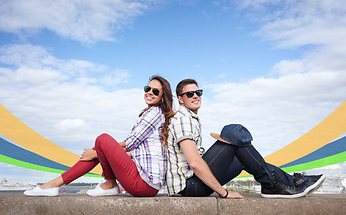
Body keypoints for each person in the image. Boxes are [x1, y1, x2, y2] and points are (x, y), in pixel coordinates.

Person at [166, 78, 325, 199]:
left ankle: (281, 183)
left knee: (241, 156)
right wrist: (224, 193)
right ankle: (287, 182)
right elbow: (194, 163)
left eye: (198, 92)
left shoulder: (190, 119)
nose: (196, 96)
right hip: (190, 187)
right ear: (180, 99)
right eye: (190, 94)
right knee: (233, 132)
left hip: (194, 185)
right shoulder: (182, 119)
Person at [25, 75, 175, 197]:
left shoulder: (154, 113)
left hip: (142, 185)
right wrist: (100, 153)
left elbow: (131, 142)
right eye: (147, 88)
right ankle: (57, 184)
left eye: (155, 91)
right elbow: (135, 151)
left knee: (102, 139)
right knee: (101, 145)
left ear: (162, 97)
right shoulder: (154, 114)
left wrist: (97, 153)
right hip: (147, 185)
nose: (149, 92)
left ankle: (58, 184)